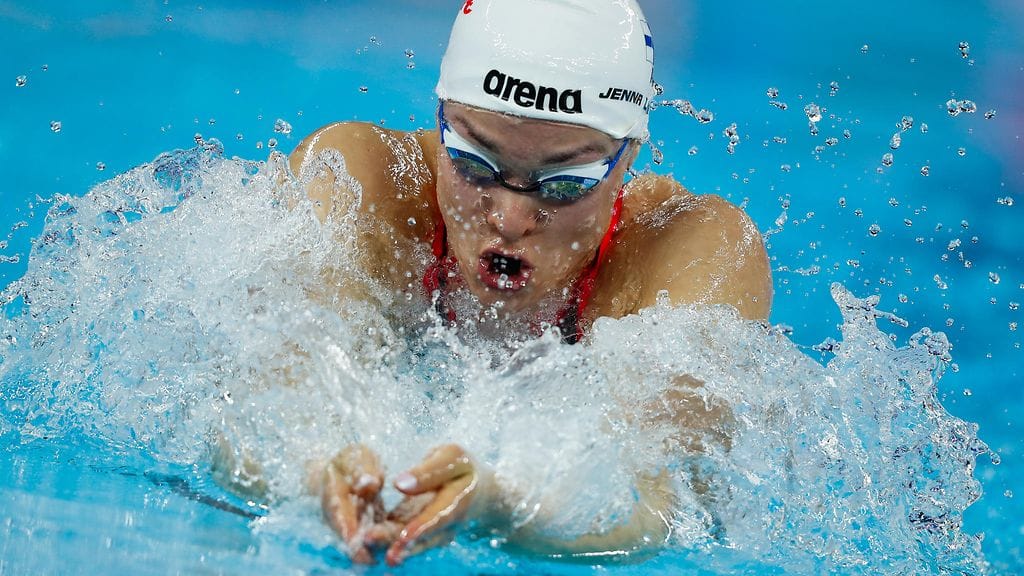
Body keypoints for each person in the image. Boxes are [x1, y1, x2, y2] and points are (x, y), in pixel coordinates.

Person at [285, 0, 771, 566]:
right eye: (472, 163)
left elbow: (667, 510)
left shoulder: (692, 254)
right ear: (440, 116)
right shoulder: (358, 185)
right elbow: (253, 400)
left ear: (626, 158)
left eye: (564, 185)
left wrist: (506, 501)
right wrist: (315, 467)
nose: (510, 218)